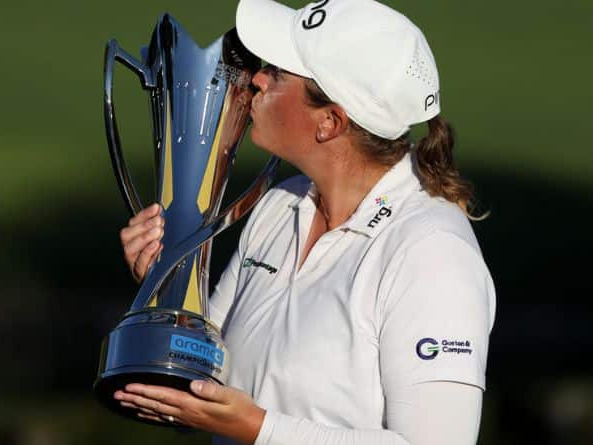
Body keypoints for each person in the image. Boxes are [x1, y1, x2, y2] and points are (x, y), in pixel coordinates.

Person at [113, 0, 496, 444]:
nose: (256, 78)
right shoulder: (281, 205)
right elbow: (208, 372)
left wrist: (259, 429)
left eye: (276, 74)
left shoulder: (433, 252)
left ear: (329, 122)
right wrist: (167, 288)